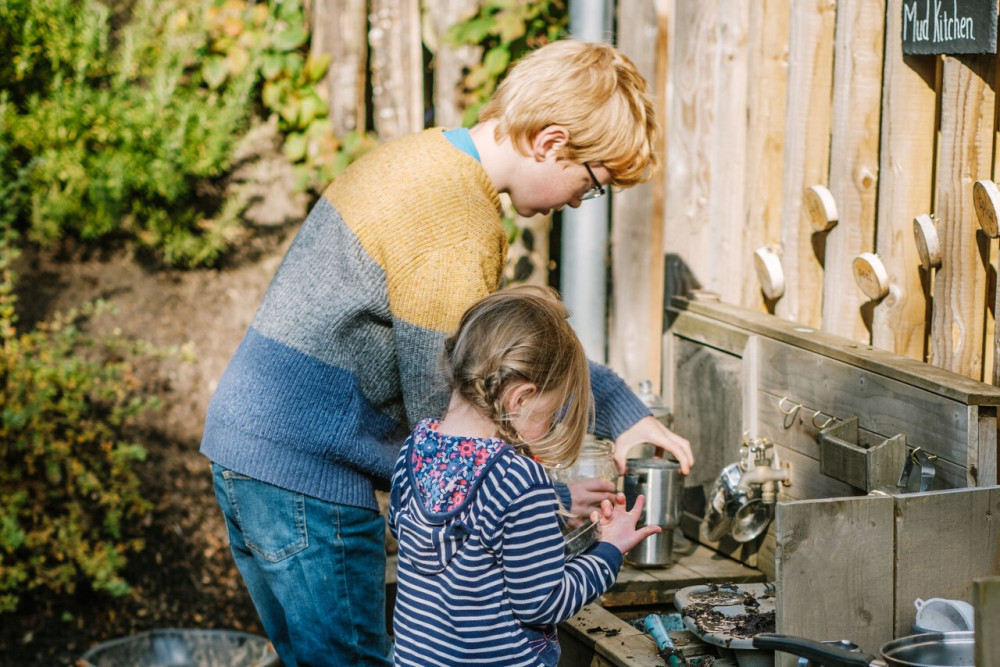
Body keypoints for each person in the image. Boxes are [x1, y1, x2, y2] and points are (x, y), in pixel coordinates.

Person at [201, 38, 693, 667]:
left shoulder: (432, 158)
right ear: (550, 142)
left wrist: (618, 407)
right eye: (591, 184)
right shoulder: (456, 224)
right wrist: (536, 507)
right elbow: (467, 405)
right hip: (307, 474)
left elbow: (481, 371)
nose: (579, 201)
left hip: (256, 452)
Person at [389, 285, 662, 666]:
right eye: (550, 411)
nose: (551, 424)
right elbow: (543, 602)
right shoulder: (520, 479)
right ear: (519, 398)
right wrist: (609, 551)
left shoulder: (414, 450)